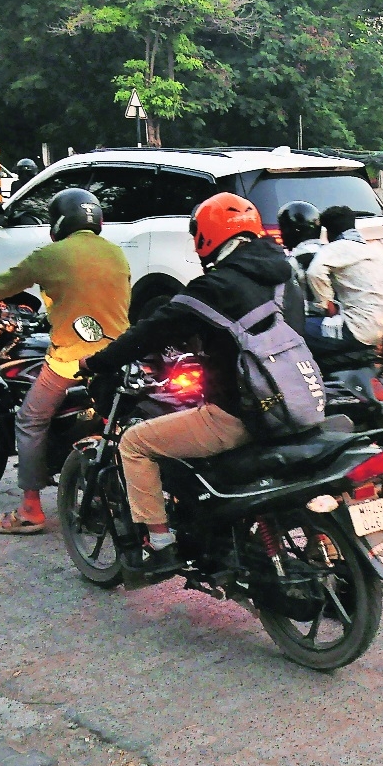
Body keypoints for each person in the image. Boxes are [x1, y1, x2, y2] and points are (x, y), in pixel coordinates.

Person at [81, 193, 299, 572]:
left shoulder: (214, 288)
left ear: (207, 236)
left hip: (241, 416)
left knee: (134, 443)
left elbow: (153, 330)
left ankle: (161, 545)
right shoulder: (287, 276)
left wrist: (98, 361)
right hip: (294, 405)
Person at [0, 188, 129, 534]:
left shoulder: (50, 255)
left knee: (30, 420)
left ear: (59, 221)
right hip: (118, 358)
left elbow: (4, 283)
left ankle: (31, 509)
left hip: (72, 359)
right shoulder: (116, 254)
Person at [304, 205, 383, 356]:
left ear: (328, 232)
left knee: (297, 329)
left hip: (362, 331)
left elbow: (314, 272)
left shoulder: (336, 247)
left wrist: (327, 303)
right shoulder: (371, 249)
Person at [277, 200, 323, 298]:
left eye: (283, 229)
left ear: (295, 231)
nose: (281, 234)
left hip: (312, 312)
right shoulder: (328, 250)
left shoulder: (295, 260)